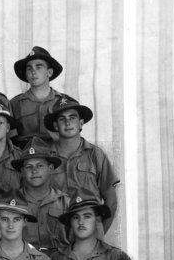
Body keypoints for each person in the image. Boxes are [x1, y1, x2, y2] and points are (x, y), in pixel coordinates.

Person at [44, 95, 119, 230]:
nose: (67, 123)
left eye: (72, 117)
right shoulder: (46, 157)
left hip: (88, 230)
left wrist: (98, 234)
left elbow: (111, 200)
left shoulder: (95, 155)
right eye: (62, 119)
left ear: (81, 123)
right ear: (55, 125)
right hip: (55, 231)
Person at [3, 138, 69, 253]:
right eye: (29, 167)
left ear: (50, 168)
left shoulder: (65, 202)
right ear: (22, 171)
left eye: (39, 166)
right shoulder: (12, 203)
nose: (34, 171)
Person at [9, 47, 63, 146]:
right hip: (24, 153)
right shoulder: (14, 104)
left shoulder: (63, 102)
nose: (33, 72)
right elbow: (10, 140)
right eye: (29, 68)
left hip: (56, 153)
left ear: (49, 72)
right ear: (26, 74)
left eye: (39, 67)